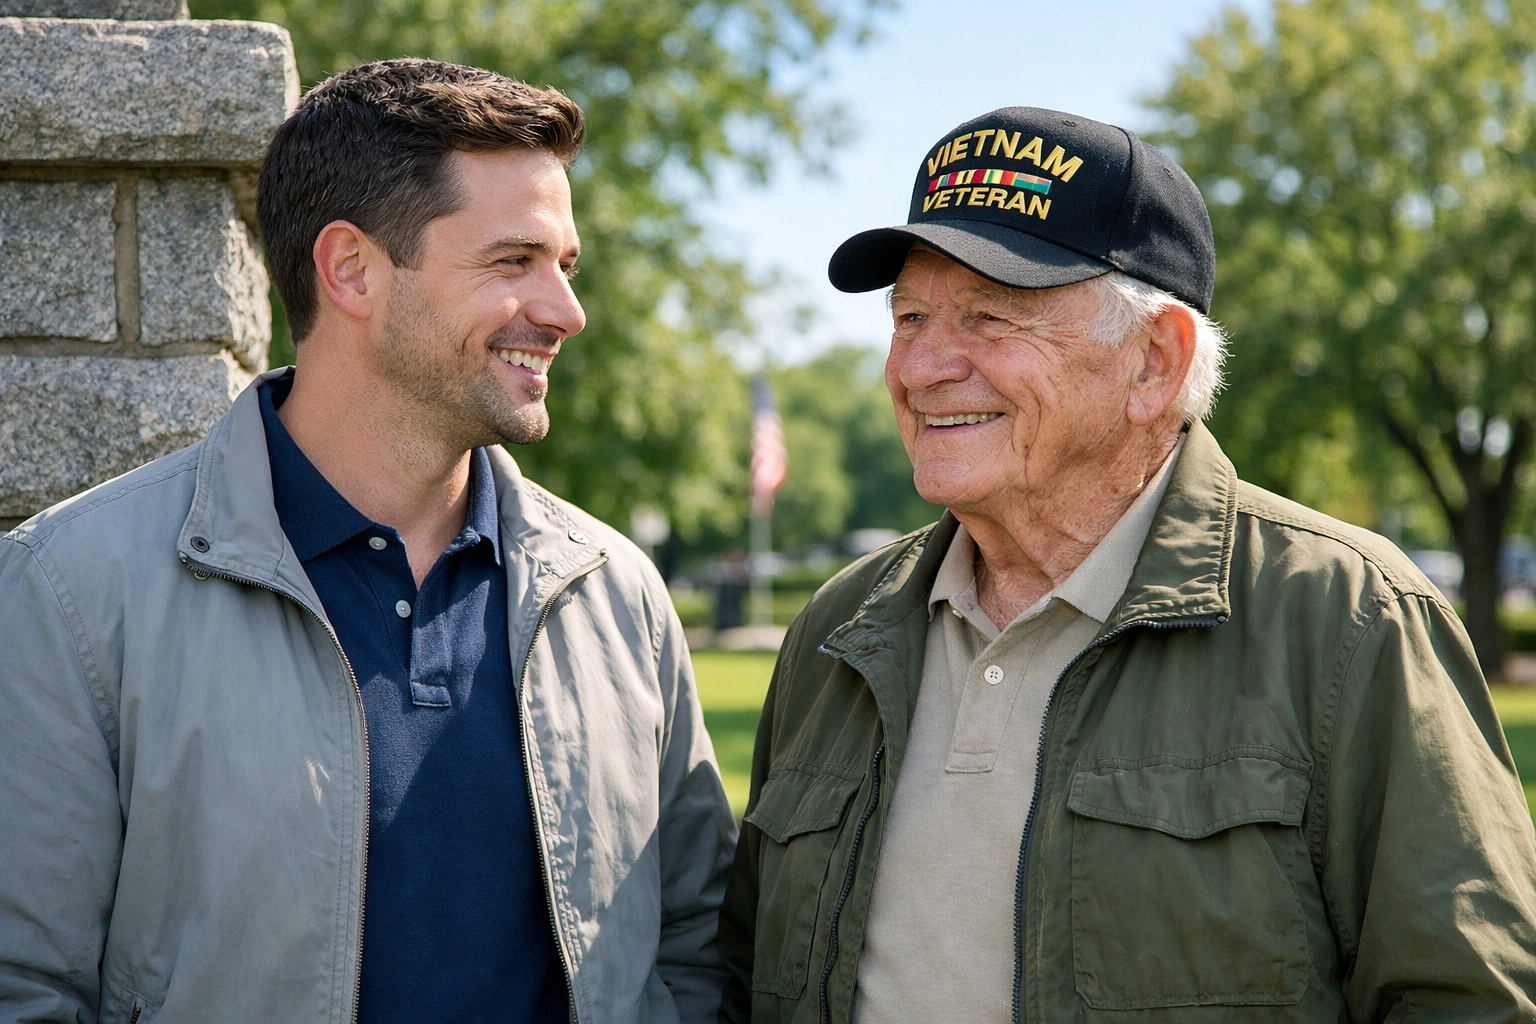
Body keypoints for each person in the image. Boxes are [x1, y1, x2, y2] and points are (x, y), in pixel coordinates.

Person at [717, 106, 1536, 1023]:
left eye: (991, 317)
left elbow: (1472, 1002)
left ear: (1155, 360)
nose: (923, 367)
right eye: (909, 317)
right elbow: (742, 975)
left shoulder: (1347, 619)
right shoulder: (837, 633)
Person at [0, 59, 735, 1024]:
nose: (565, 311)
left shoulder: (617, 596)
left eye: (566, 265)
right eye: (513, 262)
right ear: (351, 269)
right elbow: (22, 985)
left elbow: (697, 950)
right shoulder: (73, 592)